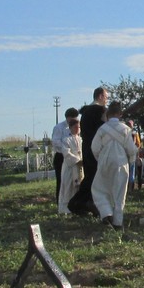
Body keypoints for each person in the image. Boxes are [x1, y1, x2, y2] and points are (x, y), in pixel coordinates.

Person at [91, 101, 137, 228]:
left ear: (108, 114)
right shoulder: (126, 129)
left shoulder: (102, 129)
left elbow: (94, 148)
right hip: (121, 162)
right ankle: (117, 221)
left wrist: (100, 158)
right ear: (120, 114)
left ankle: (106, 213)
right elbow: (132, 150)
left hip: (105, 161)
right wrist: (132, 161)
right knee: (119, 192)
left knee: (99, 188)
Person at [67, 87, 108, 215]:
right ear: (100, 96)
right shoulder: (100, 110)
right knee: (96, 177)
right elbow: (104, 130)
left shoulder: (85, 112)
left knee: (90, 175)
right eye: (106, 97)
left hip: (86, 148)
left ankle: (82, 202)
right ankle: (80, 202)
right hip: (97, 149)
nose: (106, 100)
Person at [51, 107, 79, 200]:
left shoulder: (77, 127)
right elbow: (56, 142)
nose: (74, 120)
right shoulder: (59, 127)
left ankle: (73, 201)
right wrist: (67, 146)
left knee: (75, 180)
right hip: (61, 156)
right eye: (72, 118)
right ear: (68, 118)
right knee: (62, 180)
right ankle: (60, 201)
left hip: (74, 157)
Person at [56, 120, 82, 215]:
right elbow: (66, 153)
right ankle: (65, 208)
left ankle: (77, 206)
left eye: (78, 127)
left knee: (78, 186)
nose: (77, 129)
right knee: (68, 186)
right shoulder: (66, 140)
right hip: (70, 167)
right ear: (70, 128)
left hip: (79, 167)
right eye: (75, 127)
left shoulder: (80, 139)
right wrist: (77, 160)